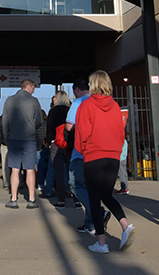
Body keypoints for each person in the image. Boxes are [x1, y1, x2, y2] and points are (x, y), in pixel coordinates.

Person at [75, 70, 135, 254]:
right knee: (107, 195)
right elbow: (120, 133)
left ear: (93, 84)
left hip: (94, 156)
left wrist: (83, 150)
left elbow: (81, 133)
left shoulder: (87, 105)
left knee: (94, 198)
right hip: (113, 156)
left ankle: (101, 242)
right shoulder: (115, 106)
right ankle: (125, 225)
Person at [1, 78, 43, 208]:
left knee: (15, 169)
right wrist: (32, 127)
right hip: (29, 139)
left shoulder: (9, 100)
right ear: (29, 87)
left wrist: (7, 137)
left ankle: (13, 199)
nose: (34, 91)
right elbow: (40, 120)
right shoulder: (34, 101)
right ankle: (31, 199)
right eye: (34, 88)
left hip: (13, 139)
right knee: (30, 169)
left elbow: (5, 121)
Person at [67, 78, 96, 233]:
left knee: (76, 185)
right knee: (90, 187)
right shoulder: (95, 101)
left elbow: (69, 126)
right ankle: (91, 223)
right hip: (96, 151)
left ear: (76, 90)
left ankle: (97, 212)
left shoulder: (78, 103)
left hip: (80, 151)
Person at [46, 91, 71, 207]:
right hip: (70, 144)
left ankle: (61, 199)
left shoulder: (53, 111)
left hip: (57, 143)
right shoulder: (70, 110)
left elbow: (50, 128)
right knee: (72, 172)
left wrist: (49, 142)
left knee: (59, 173)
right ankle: (76, 199)